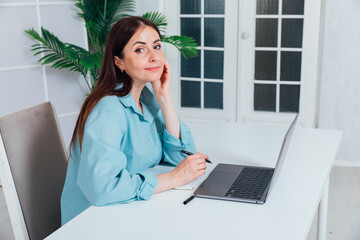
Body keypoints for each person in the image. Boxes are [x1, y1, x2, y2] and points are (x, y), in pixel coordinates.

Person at [60, 16, 208, 225]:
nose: (154, 56)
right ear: (118, 61)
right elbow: (103, 189)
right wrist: (173, 178)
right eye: (140, 50)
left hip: (129, 211)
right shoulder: (108, 110)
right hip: (91, 221)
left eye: (156, 46)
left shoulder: (147, 99)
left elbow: (180, 157)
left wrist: (164, 99)